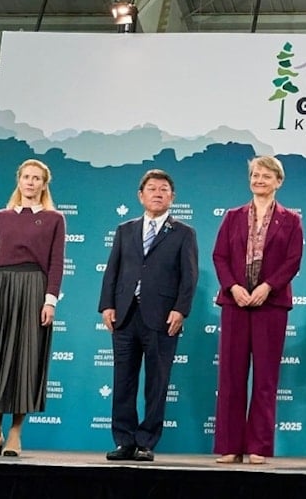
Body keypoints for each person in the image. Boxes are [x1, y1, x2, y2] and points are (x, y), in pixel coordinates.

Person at [0, 159, 66, 458]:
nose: (31, 182)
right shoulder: (0, 217)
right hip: (0, 290)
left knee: (26, 360)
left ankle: (15, 434)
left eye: (36, 178)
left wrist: (49, 300)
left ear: (44, 184)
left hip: (33, 289)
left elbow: (56, 263)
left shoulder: (54, 219)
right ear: (18, 180)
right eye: (26, 177)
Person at [98, 169, 198, 462]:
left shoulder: (184, 233)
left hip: (163, 317)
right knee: (123, 381)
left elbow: (189, 277)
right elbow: (112, 271)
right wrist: (107, 305)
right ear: (140, 196)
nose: (157, 193)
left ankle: (146, 442)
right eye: (152, 188)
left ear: (172, 197)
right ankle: (124, 440)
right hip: (125, 315)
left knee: (157, 382)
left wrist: (180, 309)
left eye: (164, 189)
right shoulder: (124, 230)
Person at [212, 155, 304, 465]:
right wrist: (234, 288)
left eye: (266, 176)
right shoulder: (232, 216)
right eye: (255, 175)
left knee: (265, 378)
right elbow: (220, 257)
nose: (259, 180)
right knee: (231, 377)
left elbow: (293, 261)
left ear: (279, 181)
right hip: (235, 303)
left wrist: (267, 288)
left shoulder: (291, 219)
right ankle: (229, 445)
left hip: (271, 305)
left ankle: (258, 447)